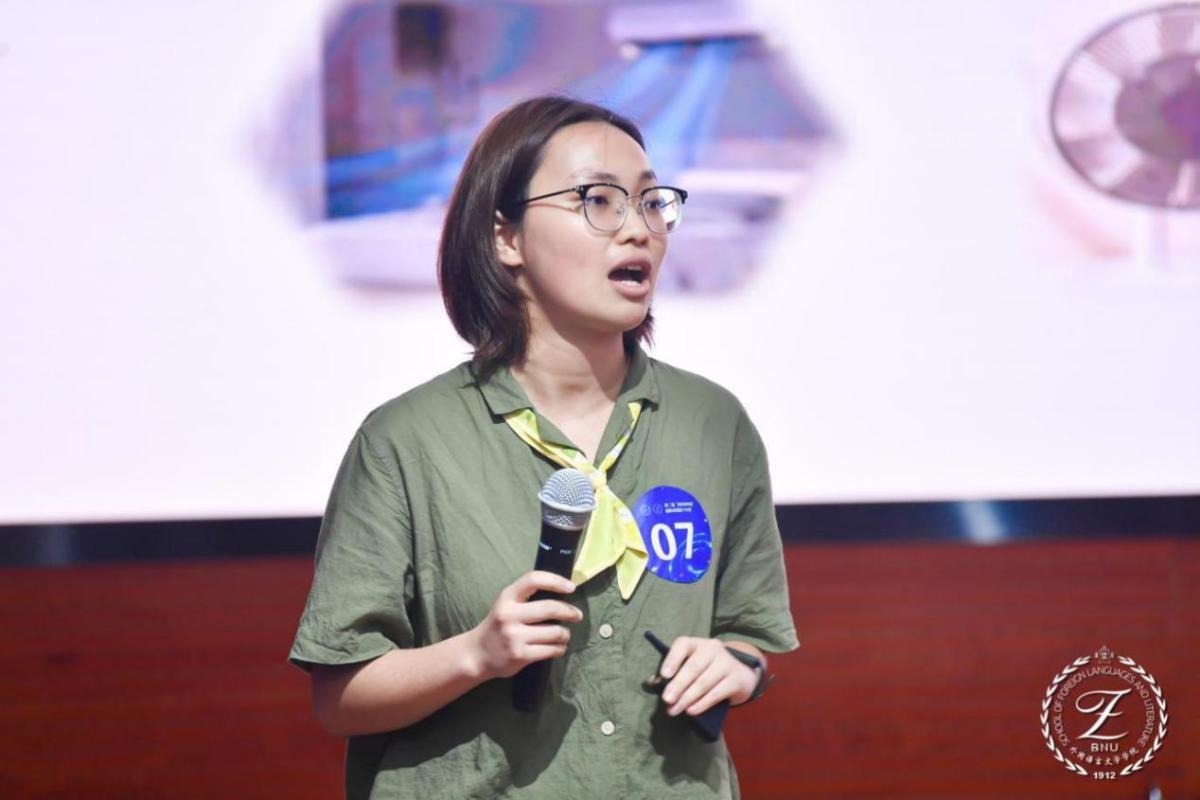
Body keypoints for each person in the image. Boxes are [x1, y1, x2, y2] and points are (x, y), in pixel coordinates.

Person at [289, 95, 799, 799]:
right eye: (598, 200)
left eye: (651, 202)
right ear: (507, 238)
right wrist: (477, 654)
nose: (638, 229)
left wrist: (736, 665)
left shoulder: (713, 423)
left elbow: (751, 632)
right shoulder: (406, 442)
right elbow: (339, 697)